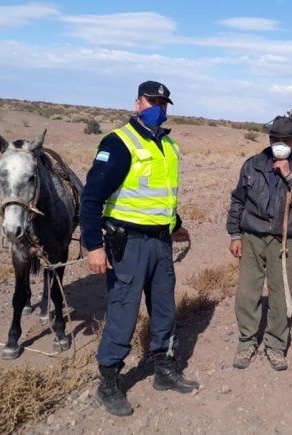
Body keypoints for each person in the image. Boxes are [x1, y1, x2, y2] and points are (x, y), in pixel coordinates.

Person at [80, 80, 198, 417]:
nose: (158, 106)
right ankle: (109, 380)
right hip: (127, 244)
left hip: (160, 243)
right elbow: (91, 198)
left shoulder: (169, 146)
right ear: (137, 103)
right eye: (152, 100)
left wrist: (175, 224)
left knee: (163, 309)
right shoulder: (119, 143)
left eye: (163, 101)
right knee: (123, 311)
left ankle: (163, 368)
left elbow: (160, 195)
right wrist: (93, 246)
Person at [226, 115, 292, 371]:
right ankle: (247, 342)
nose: (279, 143)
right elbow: (238, 201)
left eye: (285, 139)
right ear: (269, 139)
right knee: (248, 293)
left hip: (284, 240)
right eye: (275, 138)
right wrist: (235, 234)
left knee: (280, 294)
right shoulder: (253, 165)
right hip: (252, 237)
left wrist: (291, 178)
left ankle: (276, 346)